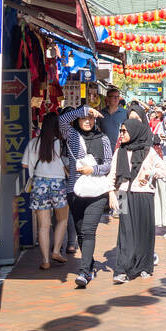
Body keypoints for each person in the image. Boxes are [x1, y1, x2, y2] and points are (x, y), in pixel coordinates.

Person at [59, 105, 114, 288]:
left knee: (89, 230)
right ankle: (89, 264)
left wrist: (93, 170)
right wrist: (85, 109)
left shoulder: (104, 138)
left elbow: (108, 165)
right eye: (85, 118)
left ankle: (84, 272)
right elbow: (62, 120)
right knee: (81, 230)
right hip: (75, 191)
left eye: (91, 118)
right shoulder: (72, 135)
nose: (88, 121)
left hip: (97, 191)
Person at [111, 113, 166, 283]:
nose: (121, 134)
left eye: (124, 131)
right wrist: (110, 194)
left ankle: (144, 265)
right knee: (125, 232)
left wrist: (150, 174)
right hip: (122, 193)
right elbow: (112, 174)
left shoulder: (148, 151)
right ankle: (122, 269)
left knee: (144, 231)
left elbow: (164, 171)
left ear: (134, 132)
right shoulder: (120, 151)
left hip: (144, 194)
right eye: (121, 131)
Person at [22, 111, 70, 269]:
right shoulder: (61, 143)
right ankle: (56, 250)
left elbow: (24, 165)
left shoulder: (33, 143)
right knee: (62, 219)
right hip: (58, 184)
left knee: (43, 225)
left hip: (39, 184)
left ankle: (45, 261)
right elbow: (67, 164)